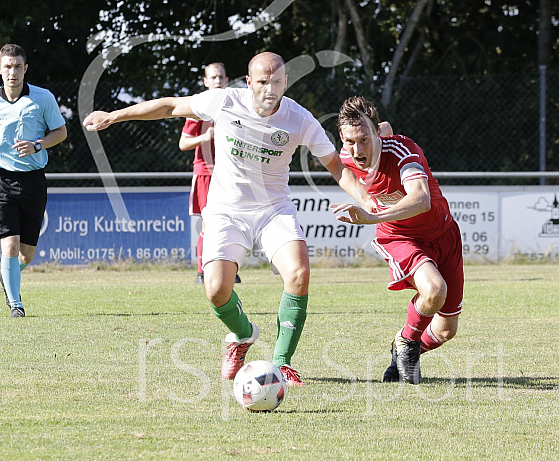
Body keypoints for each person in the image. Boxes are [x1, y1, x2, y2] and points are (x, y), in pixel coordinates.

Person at [83, 52, 372, 385]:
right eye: (262, 82)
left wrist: (368, 199)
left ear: (286, 82)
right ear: (249, 83)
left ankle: (282, 362)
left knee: (299, 273)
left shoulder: (300, 118)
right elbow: (169, 106)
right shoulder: (225, 101)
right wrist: (114, 115)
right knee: (217, 290)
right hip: (226, 210)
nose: (270, 89)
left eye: (277, 82)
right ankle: (244, 334)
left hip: (273, 210)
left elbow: (335, 166)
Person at [331, 96, 464, 384]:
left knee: (445, 331)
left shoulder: (403, 150)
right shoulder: (345, 154)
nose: (357, 149)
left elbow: (421, 198)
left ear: (376, 133)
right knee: (434, 290)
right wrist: (365, 200)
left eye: (364, 139)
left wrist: (373, 215)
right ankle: (408, 344)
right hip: (399, 235)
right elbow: (336, 166)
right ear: (342, 139)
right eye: (350, 142)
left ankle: (404, 346)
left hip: (444, 234)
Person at [0, 44, 67, 318]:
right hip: (1, 179)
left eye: (17, 66)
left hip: (33, 181)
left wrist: (38, 145)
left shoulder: (43, 98)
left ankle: (7, 273)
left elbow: (60, 132)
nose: (12, 72)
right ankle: (16, 305)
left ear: (25, 69)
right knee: (9, 245)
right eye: (7, 66)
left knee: (26, 254)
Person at [178, 62, 240, 285]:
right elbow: (183, 143)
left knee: (232, 222)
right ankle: (202, 271)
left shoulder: (235, 106)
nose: (217, 81)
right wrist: (205, 137)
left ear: (226, 80)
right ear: (206, 82)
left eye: (220, 77)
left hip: (230, 174)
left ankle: (229, 269)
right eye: (212, 77)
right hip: (206, 173)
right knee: (208, 223)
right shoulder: (198, 108)